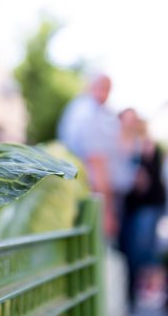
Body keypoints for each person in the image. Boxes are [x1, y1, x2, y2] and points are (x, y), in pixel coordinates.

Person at [57, 74, 134, 238]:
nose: (106, 95)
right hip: (93, 196)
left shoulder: (80, 109)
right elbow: (97, 162)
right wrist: (107, 213)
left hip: (85, 193)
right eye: (104, 89)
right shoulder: (89, 114)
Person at [119, 118, 166, 309]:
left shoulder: (145, 146)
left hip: (148, 206)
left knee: (143, 253)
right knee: (138, 252)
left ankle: (152, 294)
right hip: (136, 208)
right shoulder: (126, 144)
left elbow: (143, 181)